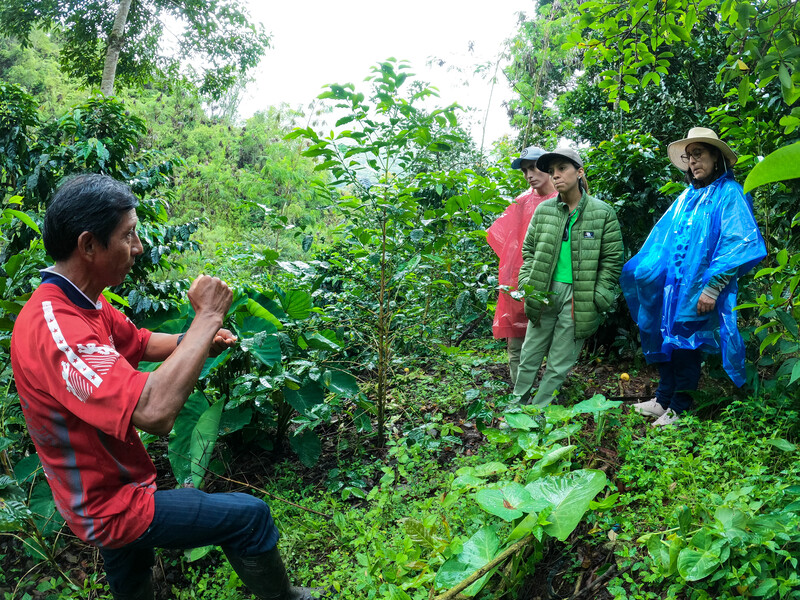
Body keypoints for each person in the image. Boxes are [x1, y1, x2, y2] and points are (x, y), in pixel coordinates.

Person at [10, 174, 320, 600]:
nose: (138, 248)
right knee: (251, 517)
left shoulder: (83, 301)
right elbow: (154, 412)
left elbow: (137, 341)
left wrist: (194, 341)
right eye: (128, 236)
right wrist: (207, 317)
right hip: (108, 504)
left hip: (115, 483)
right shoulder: (58, 330)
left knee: (131, 573)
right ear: (88, 245)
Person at [621, 127, 766, 427]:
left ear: (716, 156)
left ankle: (680, 406)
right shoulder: (687, 196)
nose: (693, 162)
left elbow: (736, 241)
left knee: (687, 344)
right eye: (689, 157)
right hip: (674, 288)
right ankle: (663, 399)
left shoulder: (729, 194)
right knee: (668, 339)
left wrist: (712, 288)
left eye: (699, 154)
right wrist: (648, 275)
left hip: (700, 288)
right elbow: (664, 241)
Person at [513, 148, 623, 406]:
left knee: (559, 362)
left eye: (562, 169)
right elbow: (529, 250)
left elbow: (613, 260)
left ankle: (536, 414)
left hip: (579, 296)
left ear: (580, 171)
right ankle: (516, 408)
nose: (556, 176)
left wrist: (598, 296)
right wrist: (527, 284)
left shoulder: (602, 213)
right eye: (552, 171)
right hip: (544, 291)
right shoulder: (544, 211)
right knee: (529, 355)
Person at [487, 146, 558, 384]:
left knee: (552, 340)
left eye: (534, 167)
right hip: (519, 279)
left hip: (554, 279)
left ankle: (547, 393)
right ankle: (520, 393)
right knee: (516, 341)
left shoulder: (563, 198)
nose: (529, 174)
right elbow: (500, 237)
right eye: (525, 170)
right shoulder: (522, 201)